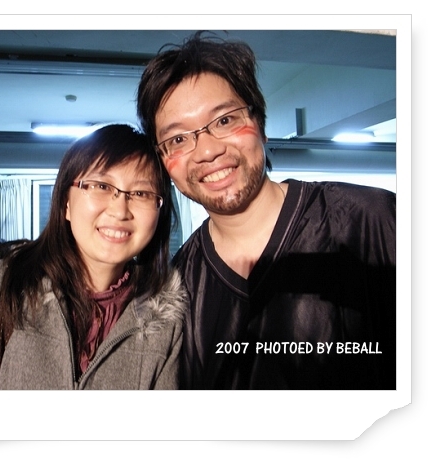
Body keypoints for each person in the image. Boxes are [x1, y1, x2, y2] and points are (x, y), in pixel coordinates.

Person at [136, 31, 396, 390]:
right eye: (178, 139)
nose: (207, 151)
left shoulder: (373, 220)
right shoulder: (177, 290)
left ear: (260, 124)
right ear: (164, 161)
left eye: (224, 120)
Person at [0, 124, 186, 390]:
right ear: (66, 203)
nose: (120, 210)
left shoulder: (166, 320)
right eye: (101, 185)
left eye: (141, 193)